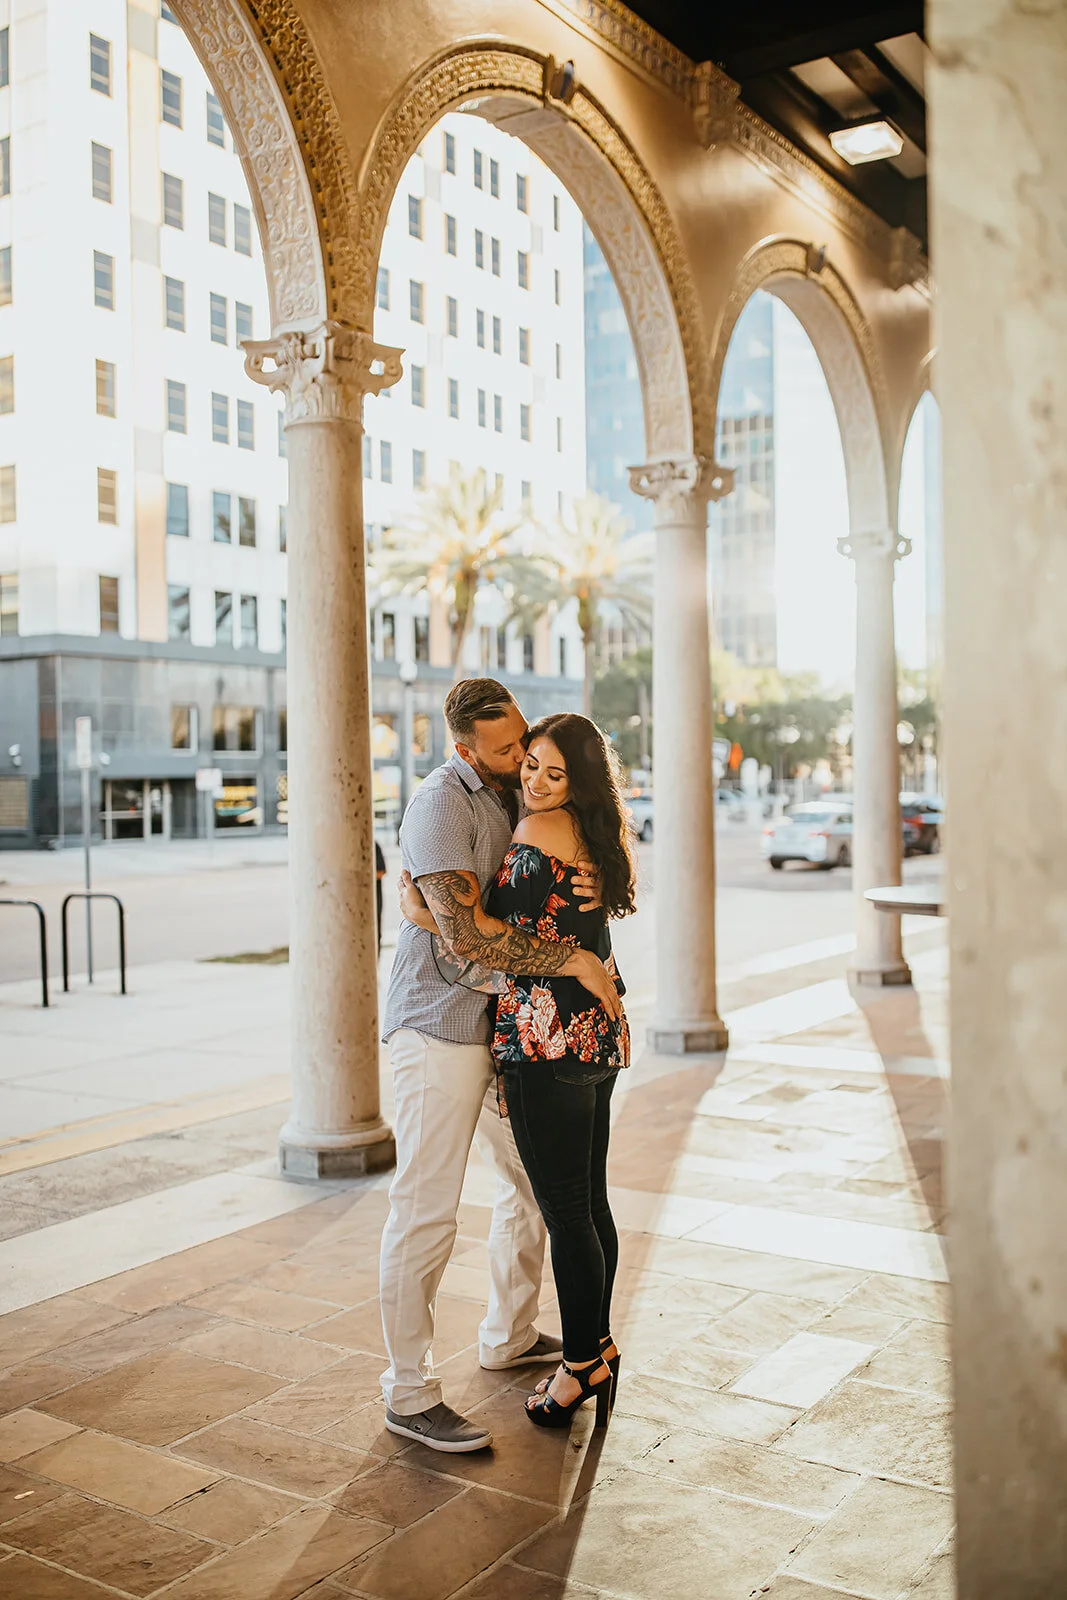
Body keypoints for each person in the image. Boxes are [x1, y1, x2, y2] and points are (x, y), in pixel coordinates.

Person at [379, 679, 620, 1453]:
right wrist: (576, 960)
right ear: (463, 749)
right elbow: (468, 937)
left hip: (513, 1029)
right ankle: (408, 1392)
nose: (522, 758)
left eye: (525, 740)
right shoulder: (441, 804)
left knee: (535, 1194)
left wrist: (586, 874)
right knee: (427, 1206)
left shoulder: (525, 798)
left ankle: (507, 1335)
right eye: (507, 749)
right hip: (443, 1024)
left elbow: (555, 867)